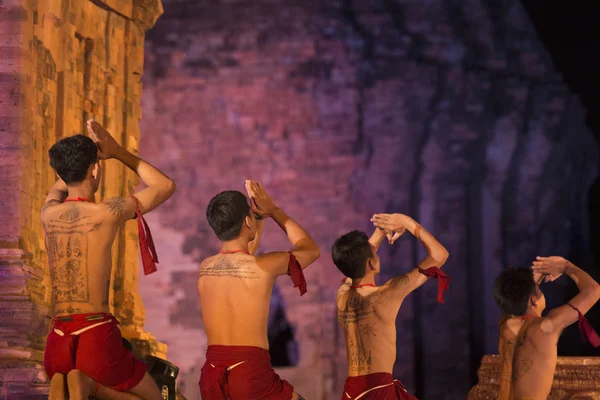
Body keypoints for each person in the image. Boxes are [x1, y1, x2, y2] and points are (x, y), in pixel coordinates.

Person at [42, 120, 176, 400]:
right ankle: (93, 387)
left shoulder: (48, 213)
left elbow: (61, 184)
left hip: (55, 343)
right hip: (95, 339)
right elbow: (164, 185)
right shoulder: (107, 213)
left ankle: (77, 385)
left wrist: (72, 164)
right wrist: (116, 151)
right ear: (95, 169)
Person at [198, 181, 320, 400]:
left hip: (212, 375)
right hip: (249, 372)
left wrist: (258, 218)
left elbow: (242, 256)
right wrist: (273, 211)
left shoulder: (205, 268)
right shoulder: (263, 266)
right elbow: (310, 250)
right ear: (247, 221)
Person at [333, 213, 450, 400]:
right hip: (378, 391)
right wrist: (407, 222)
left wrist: (381, 230)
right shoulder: (386, 294)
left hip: (351, 392)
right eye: (375, 254)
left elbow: (354, 262)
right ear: (372, 263)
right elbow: (440, 255)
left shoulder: (342, 295)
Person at [494, 256, 600, 400]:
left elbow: (516, 299)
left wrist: (541, 271)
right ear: (533, 299)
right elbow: (593, 290)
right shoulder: (546, 327)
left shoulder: (505, 325)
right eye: (538, 290)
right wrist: (565, 265)